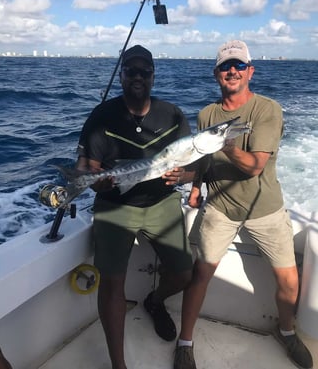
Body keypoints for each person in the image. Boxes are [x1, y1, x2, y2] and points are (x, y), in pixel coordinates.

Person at [173, 40, 313, 369]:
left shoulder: (267, 109)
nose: (231, 71)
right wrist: (194, 184)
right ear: (215, 74)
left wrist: (227, 145)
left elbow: (254, 167)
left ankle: (287, 331)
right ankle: (185, 342)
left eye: (238, 65)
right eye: (225, 66)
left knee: (289, 280)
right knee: (200, 275)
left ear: (250, 71)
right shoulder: (207, 113)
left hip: (265, 209)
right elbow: (203, 158)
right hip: (220, 208)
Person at [76, 45, 195, 369]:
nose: (138, 76)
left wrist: (184, 175)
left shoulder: (172, 114)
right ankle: (119, 364)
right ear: (123, 76)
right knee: (112, 281)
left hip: (162, 202)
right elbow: (87, 165)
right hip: (116, 206)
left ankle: (154, 301)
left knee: (185, 273)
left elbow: (194, 166)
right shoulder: (103, 116)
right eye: (131, 71)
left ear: (153, 76)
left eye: (145, 71)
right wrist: (94, 179)